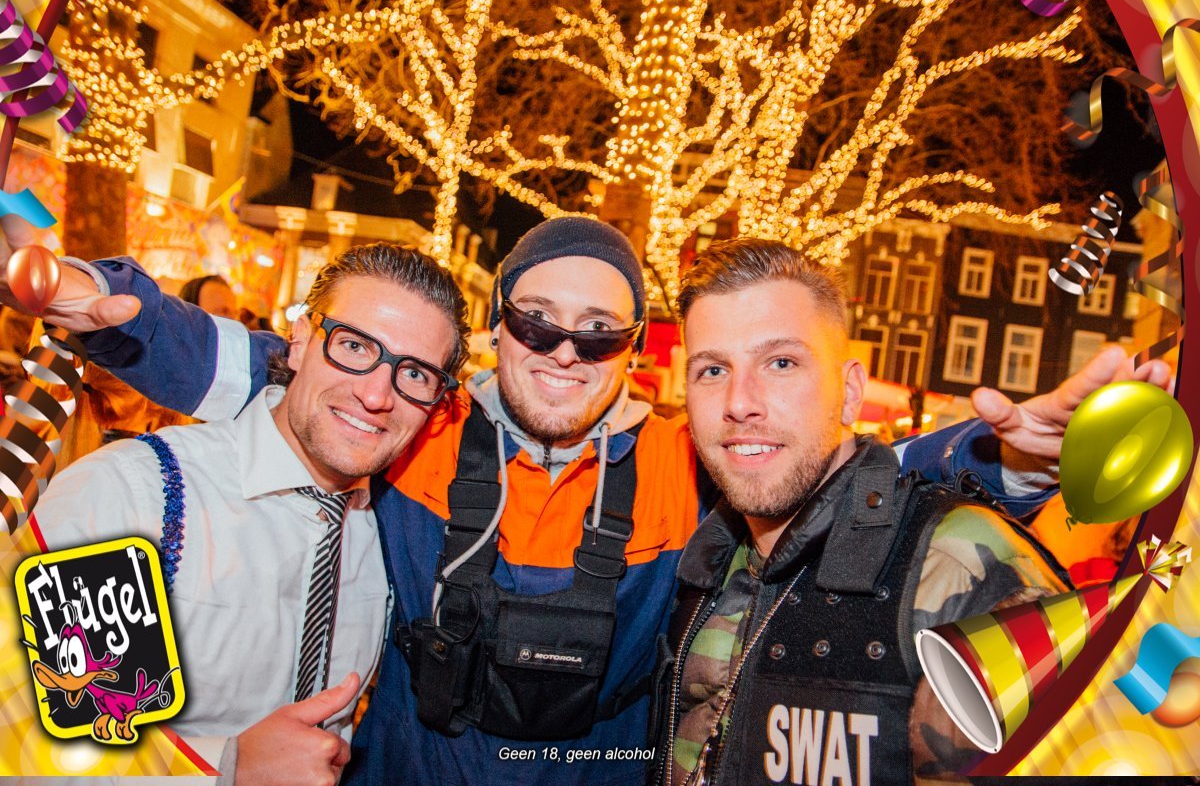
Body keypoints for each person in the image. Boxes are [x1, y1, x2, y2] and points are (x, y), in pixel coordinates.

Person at [0, 213, 1163, 785]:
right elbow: (279, 368)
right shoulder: (410, 418)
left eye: (599, 332)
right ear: (496, 329)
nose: (563, 351)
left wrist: (1011, 455)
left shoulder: (688, 457)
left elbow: (845, 470)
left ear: (633, 349)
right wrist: (110, 305)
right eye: (536, 322)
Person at [649, 238, 1146, 785]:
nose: (740, 402)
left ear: (849, 391)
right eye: (712, 370)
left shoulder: (956, 564)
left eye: (781, 363)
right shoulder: (709, 558)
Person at [29, 242, 469, 786]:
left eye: (416, 374)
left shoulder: (389, 535)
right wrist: (223, 768)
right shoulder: (132, 494)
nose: (377, 395)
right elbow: (25, 739)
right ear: (301, 340)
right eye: (355, 346)